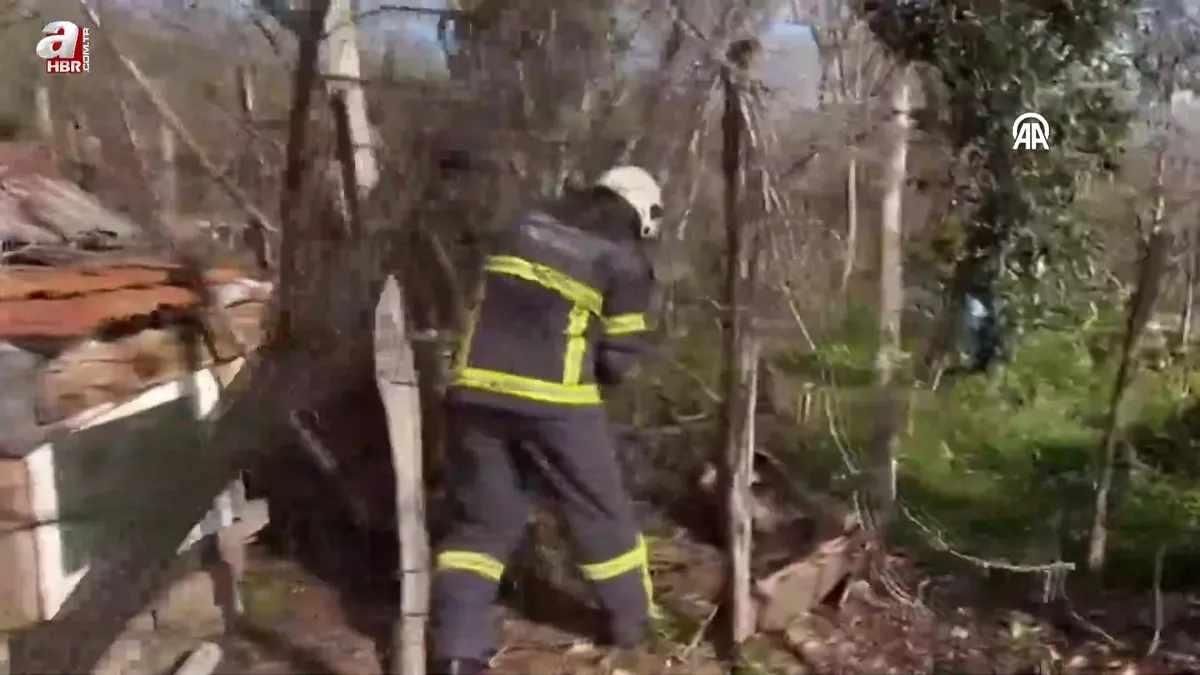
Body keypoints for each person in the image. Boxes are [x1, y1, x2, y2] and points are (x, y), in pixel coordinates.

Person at [430, 166, 663, 675]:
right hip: (555, 399)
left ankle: (455, 652)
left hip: (473, 391)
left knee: (481, 525)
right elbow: (619, 362)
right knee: (600, 513)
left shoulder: (522, 224)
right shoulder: (623, 261)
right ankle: (634, 624)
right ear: (640, 216)